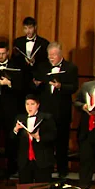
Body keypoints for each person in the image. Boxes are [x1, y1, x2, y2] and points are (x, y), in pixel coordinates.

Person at [33, 42, 79, 177]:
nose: (51, 58)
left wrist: (60, 86)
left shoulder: (70, 68)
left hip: (62, 111)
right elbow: (35, 86)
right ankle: (46, 169)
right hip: (46, 112)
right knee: (45, 142)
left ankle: (62, 170)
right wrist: (36, 84)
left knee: (62, 143)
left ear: (60, 54)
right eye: (49, 55)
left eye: (54, 55)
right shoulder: (43, 67)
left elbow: (74, 87)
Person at [0, 42, 25, 175]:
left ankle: (12, 168)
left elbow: (22, 87)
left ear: (7, 53)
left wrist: (9, 83)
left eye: (3, 53)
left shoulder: (16, 67)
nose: (1, 56)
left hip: (11, 108)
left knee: (11, 139)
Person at [13, 95, 56, 184]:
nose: (29, 107)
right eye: (27, 104)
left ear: (38, 105)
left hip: (42, 160)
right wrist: (16, 129)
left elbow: (53, 136)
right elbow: (12, 139)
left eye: (32, 104)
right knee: (25, 188)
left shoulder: (46, 118)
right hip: (25, 161)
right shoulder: (20, 118)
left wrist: (38, 137)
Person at [12, 17, 50, 87]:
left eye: (30, 28)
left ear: (35, 27)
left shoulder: (44, 43)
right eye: (25, 28)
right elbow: (14, 60)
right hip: (22, 79)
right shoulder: (18, 42)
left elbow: (46, 62)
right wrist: (24, 61)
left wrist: (34, 61)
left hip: (37, 79)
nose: (28, 31)